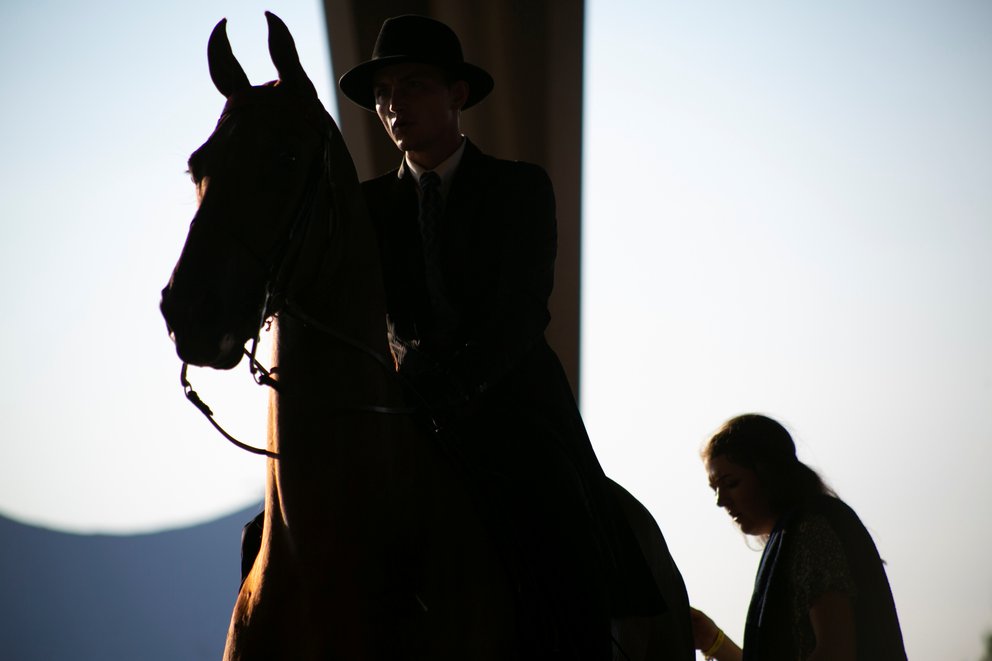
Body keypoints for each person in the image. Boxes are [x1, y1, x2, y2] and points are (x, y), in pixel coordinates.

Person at [338, 14, 661, 661]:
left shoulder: (519, 187)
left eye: (414, 84)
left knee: (564, 516)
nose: (394, 104)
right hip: (411, 407)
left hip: (514, 400)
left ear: (457, 94)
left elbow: (521, 312)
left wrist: (453, 383)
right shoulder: (364, 207)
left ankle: (597, 639)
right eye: (383, 92)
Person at [691, 414, 907, 661]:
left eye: (731, 483)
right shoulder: (795, 534)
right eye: (715, 489)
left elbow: (834, 654)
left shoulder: (811, 531)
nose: (721, 501)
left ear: (767, 474)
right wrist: (713, 641)